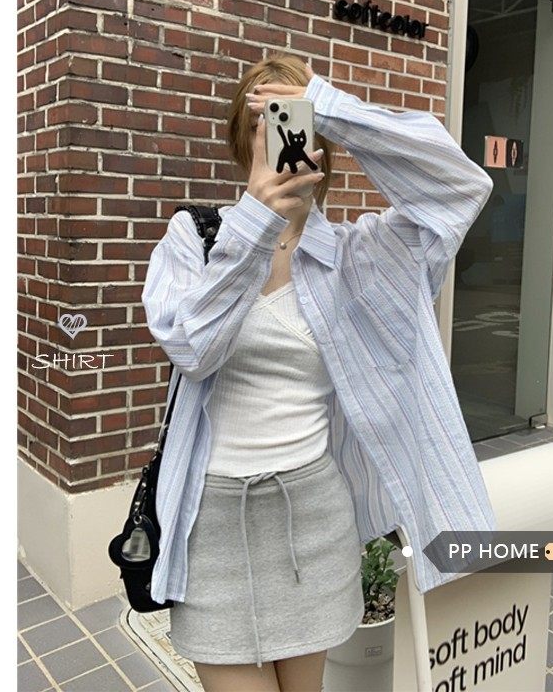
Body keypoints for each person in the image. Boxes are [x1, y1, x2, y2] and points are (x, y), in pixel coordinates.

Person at [141, 53, 497, 692]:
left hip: (313, 517)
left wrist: (334, 106)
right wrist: (256, 225)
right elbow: (193, 348)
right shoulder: (194, 240)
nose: (282, 134)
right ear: (244, 142)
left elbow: (460, 188)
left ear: (320, 140)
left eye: (294, 118)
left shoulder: (363, 256)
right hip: (212, 523)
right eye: (264, 121)